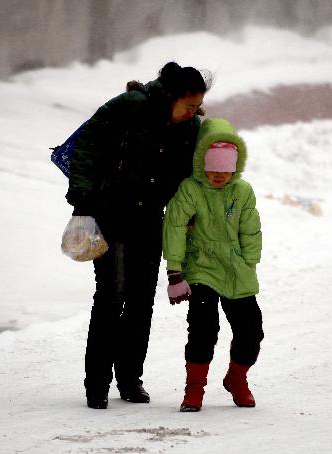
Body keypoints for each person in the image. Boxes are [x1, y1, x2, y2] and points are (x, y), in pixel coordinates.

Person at [66, 62, 211, 409]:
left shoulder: (189, 127)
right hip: (109, 212)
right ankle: (97, 384)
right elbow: (86, 145)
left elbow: (187, 173)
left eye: (197, 107)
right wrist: (82, 198)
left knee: (142, 299)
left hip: (149, 219)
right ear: (173, 96)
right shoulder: (132, 105)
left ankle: (130, 379)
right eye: (189, 105)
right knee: (111, 295)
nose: (194, 112)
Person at [162, 117, 264, 412]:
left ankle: (237, 379)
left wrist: (249, 263)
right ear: (201, 163)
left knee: (251, 330)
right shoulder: (190, 189)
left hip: (235, 268)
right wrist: (175, 269)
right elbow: (175, 226)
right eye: (212, 168)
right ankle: (194, 389)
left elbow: (251, 230)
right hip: (201, 266)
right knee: (204, 328)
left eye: (225, 169)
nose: (218, 176)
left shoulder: (242, 191)